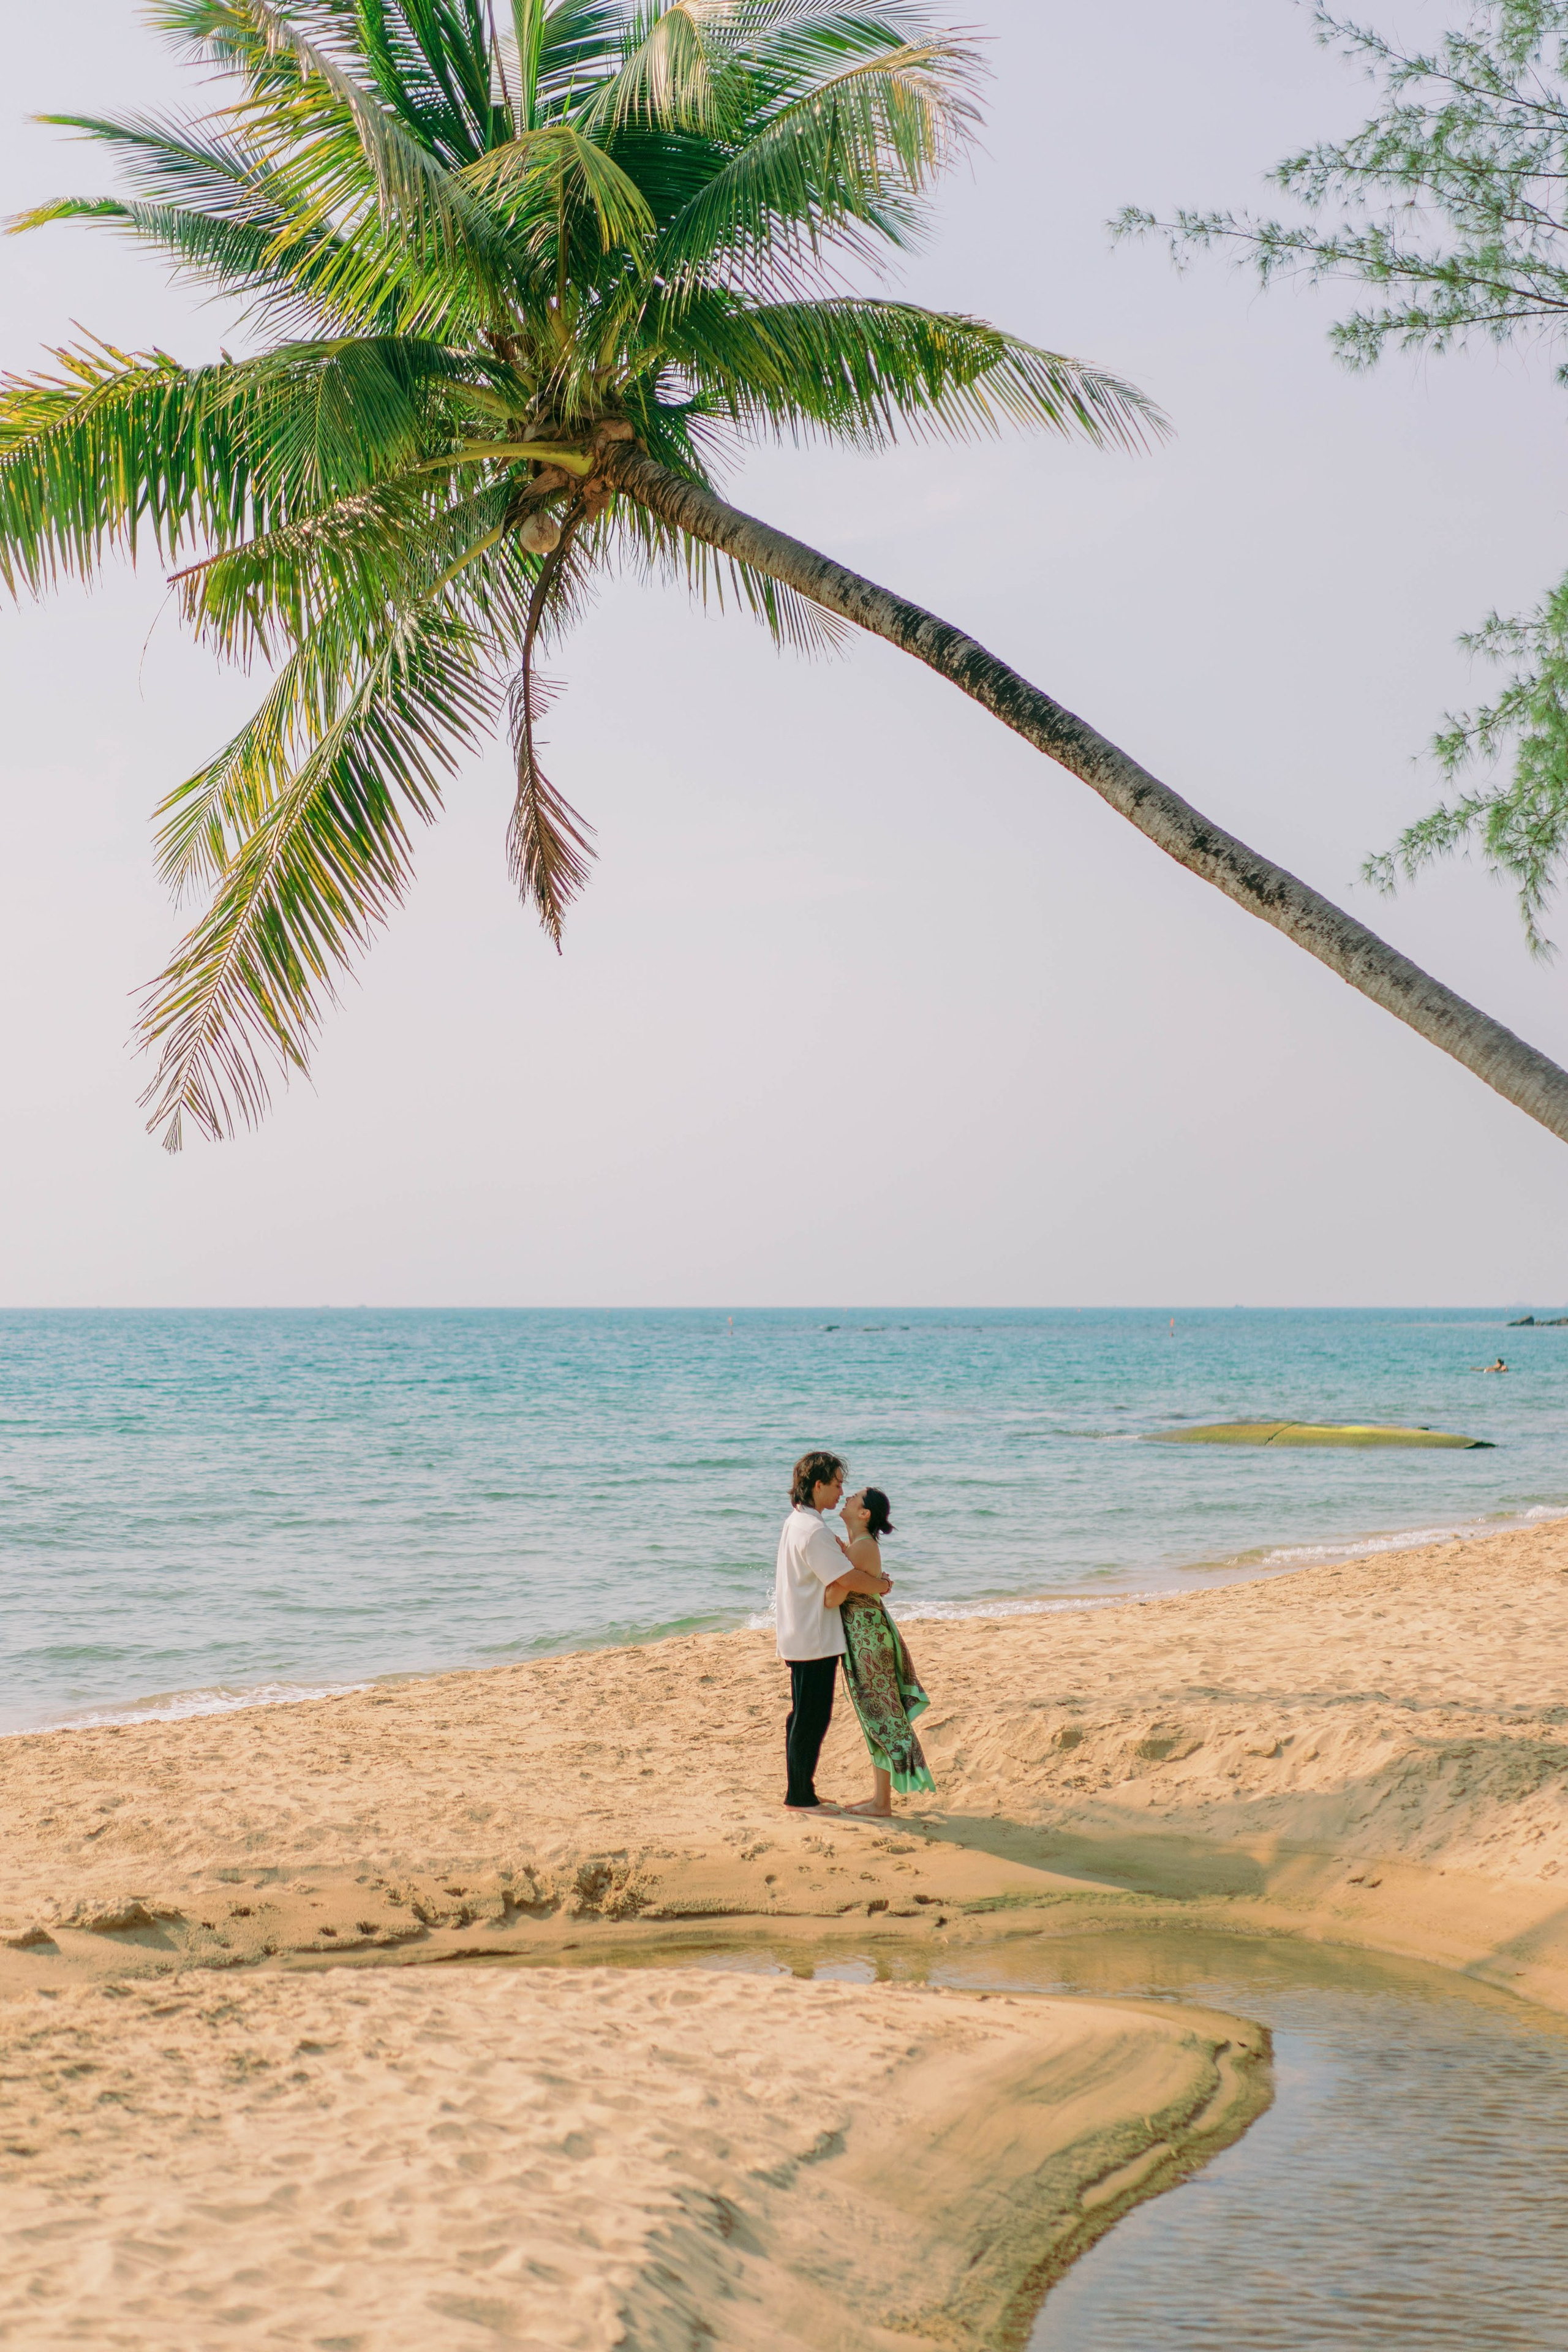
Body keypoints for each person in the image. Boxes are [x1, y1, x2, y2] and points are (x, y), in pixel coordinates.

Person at [774, 1449, 890, 1811]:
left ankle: (801, 1790)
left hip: (801, 1634)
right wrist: (882, 1586)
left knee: (802, 1716)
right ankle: (801, 1797)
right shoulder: (813, 1531)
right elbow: (846, 1578)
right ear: (818, 1485)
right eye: (837, 1485)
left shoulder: (799, 1521)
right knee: (812, 1717)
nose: (842, 1492)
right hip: (814, 1639)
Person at [824, 1487, 935, 1817]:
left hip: (869, 1643)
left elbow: (832, 1598)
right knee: (878, 1717)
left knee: (882, 1717)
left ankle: (882, 1803)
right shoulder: (857, 1548)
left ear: (864, 1514)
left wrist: (842, 1573)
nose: (846, 1498)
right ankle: (880, 1800)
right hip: (867, 1639)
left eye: (854, 1498)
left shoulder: (862, 1549)